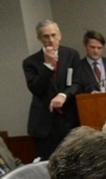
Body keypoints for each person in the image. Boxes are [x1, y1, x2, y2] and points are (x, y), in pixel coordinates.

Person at [23, 20, 81, 160]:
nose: (51, 40)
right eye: (46, 36)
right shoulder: (30, 62)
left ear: (60, 35)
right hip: (44, 125)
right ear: (39, 39)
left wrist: (63, 95)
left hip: (69, 120)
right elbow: (36, 89)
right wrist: (47, 66)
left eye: (53, 35)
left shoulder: (71, 54)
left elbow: (77, 83)